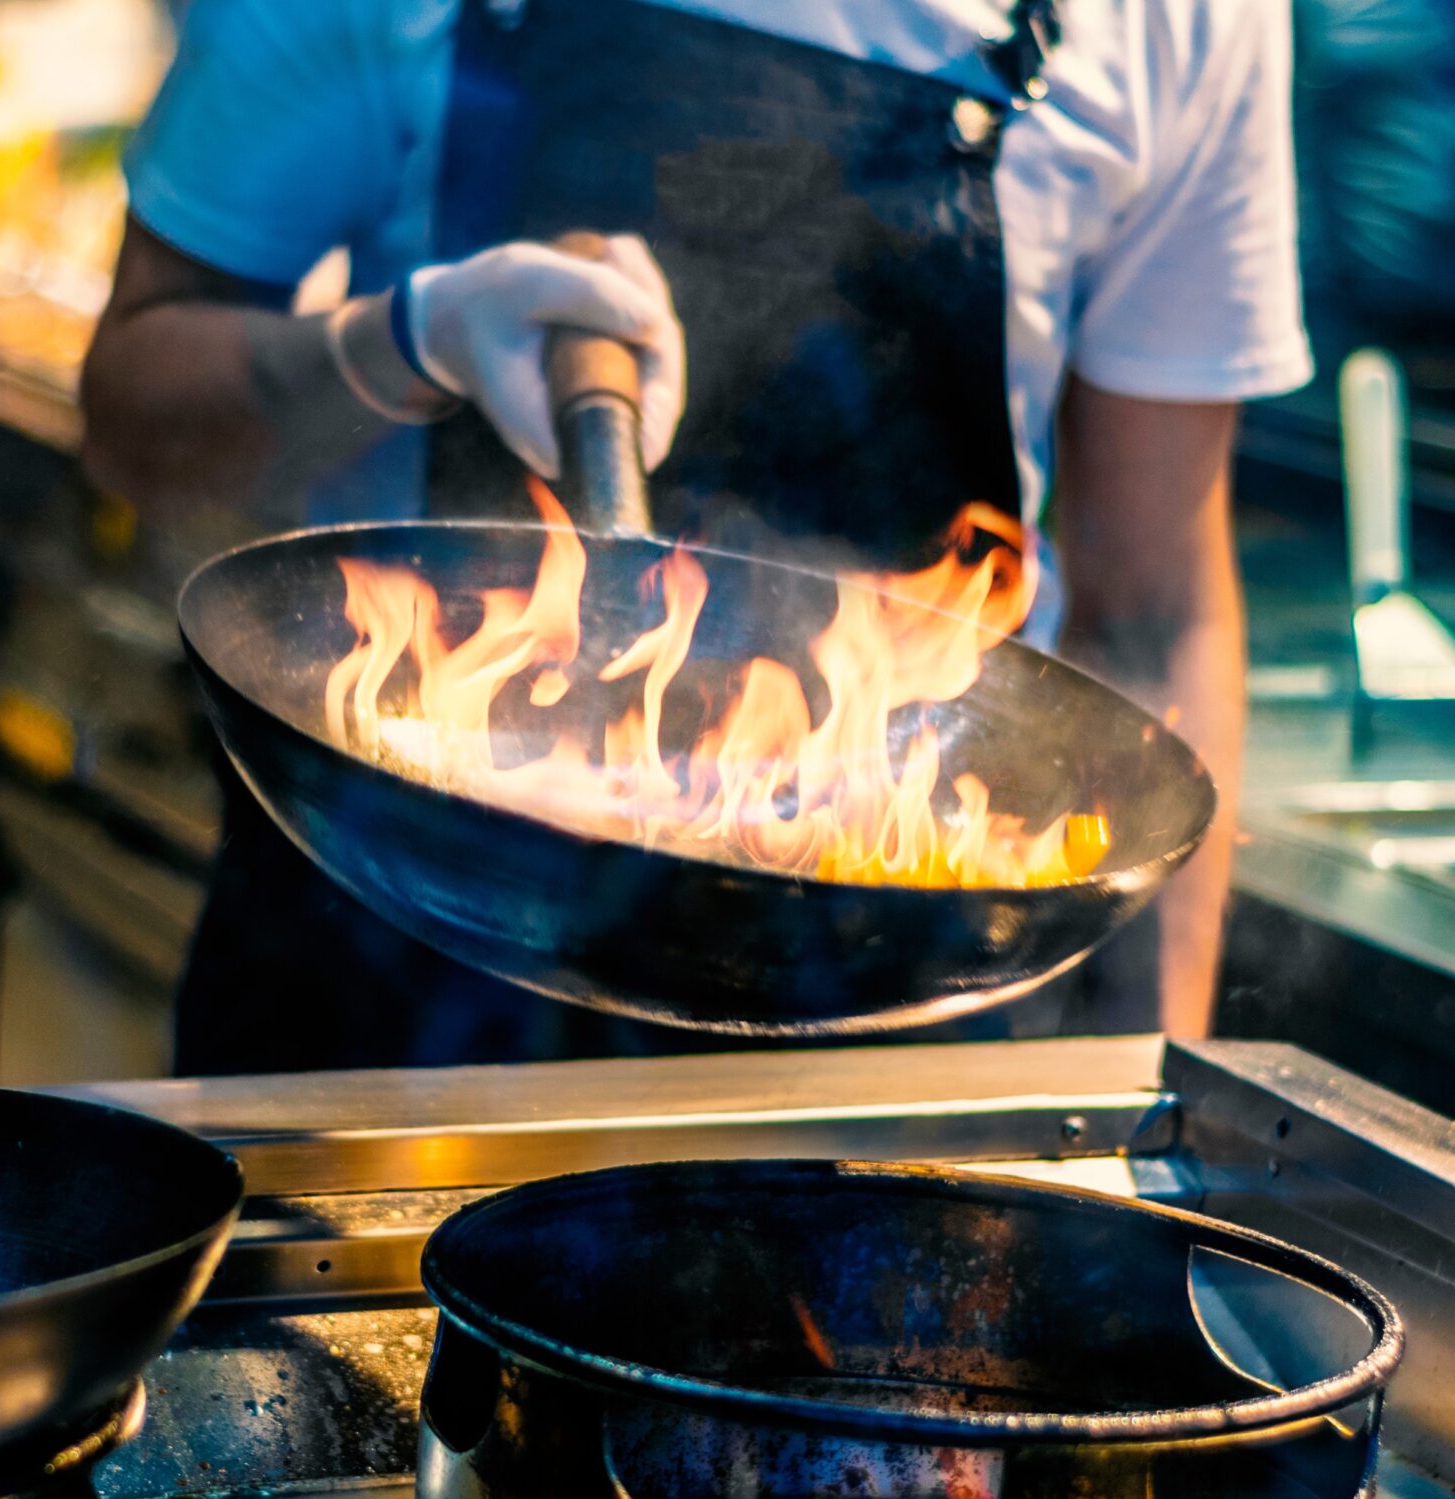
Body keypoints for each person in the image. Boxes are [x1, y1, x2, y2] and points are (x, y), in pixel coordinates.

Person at [83, 0, 1310, 1075]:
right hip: (398, 973)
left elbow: (1157, 617)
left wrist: (1150, 1118)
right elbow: (135, 424)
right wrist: (394, 343)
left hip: (878, 1031)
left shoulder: (1176, 17)